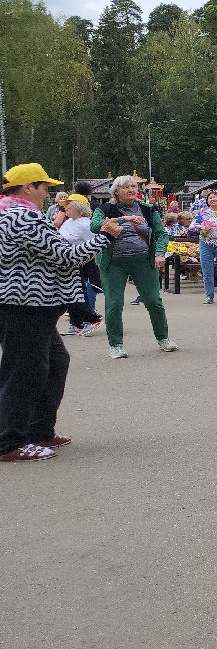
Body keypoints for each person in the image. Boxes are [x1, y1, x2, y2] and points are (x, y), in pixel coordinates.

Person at [1, 164, 122, 462]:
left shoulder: (12, 214)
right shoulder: (22, 217)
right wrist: (105, 235)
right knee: (23, 371)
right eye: (45, 186)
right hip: (25, 305)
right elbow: (66, 256)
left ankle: (38, 429)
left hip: (30, 304)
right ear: (28, 187)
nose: (51, 193)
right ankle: (10, 442)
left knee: (54, 362)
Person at [90, 175, 178, 359]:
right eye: (126, 187)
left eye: (133, 187)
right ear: (116, 191)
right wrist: (125, 219)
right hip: (113, 263)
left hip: (143, 261)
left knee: (153, 300)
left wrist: (160, 253)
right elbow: (95, 226)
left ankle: (163, 338)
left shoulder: (148, 209)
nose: (131, 190)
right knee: (114, 303)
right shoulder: (105, 209)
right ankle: (116, 345)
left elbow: (161, 233)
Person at [57, 197, 104, 335]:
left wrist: (82, 261)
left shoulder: (85, 224)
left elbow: (95, 245)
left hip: (80, 263)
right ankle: (76, 322)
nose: (65, 208)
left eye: (68, 206)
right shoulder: (69, 222)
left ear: (78, 207)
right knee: (70, 295)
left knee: (78, 294)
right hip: (68, 263)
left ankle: (92, 319)